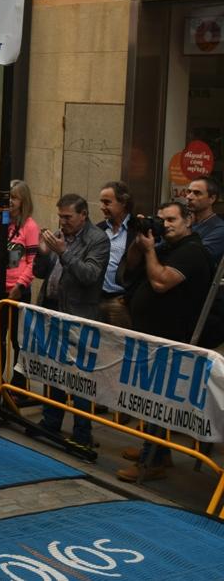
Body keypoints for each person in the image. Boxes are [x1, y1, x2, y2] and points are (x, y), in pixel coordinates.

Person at [116, 201, 213, 482]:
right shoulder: (167, 247)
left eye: (171, 220)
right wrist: (140, 240)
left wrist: (149, 251)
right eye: (161, 220)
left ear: (189, 221)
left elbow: (160, 282)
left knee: (159, 401)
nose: (165, 225)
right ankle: (159, 451)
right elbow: (130, 268)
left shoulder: (192, 252)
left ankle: (152, 460)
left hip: (172, 340)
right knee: (151, 398)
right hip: (153, 336)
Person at [31, 194, 110, 448]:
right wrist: (43, 255)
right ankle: (51, 421)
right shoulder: (59, 235)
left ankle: (82, 433)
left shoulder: (97, 240)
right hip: (52, 311)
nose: (62, 222)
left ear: (83, 215)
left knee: (79, 378)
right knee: (53, 371)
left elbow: (90, 275)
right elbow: (40, 274)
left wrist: (63, 253)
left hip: (80, 316)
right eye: (60, 216)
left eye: (68, 217)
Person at [0, 180, 40, 396]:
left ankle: (18, 384)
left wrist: (20, 286)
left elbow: (34, 262)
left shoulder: (30, 227)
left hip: (17, 291)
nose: (9, 202)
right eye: (7, 198)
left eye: (14, 198)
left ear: (23, 201)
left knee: (17, 340)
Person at [97, 181, 135, 329]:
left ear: (123, 202)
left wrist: (128, 297)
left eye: (107, 202)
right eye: (101, 202)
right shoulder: (98, 229)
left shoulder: (136, 229)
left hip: (120, 301)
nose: (102, 207)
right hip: (97, 298)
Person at [186, 176, 224, 264]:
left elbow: (195, 258)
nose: (189, 197)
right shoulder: (185, 222)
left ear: (212, 199)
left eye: (197, 193)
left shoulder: (220, 229)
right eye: (188, 192)